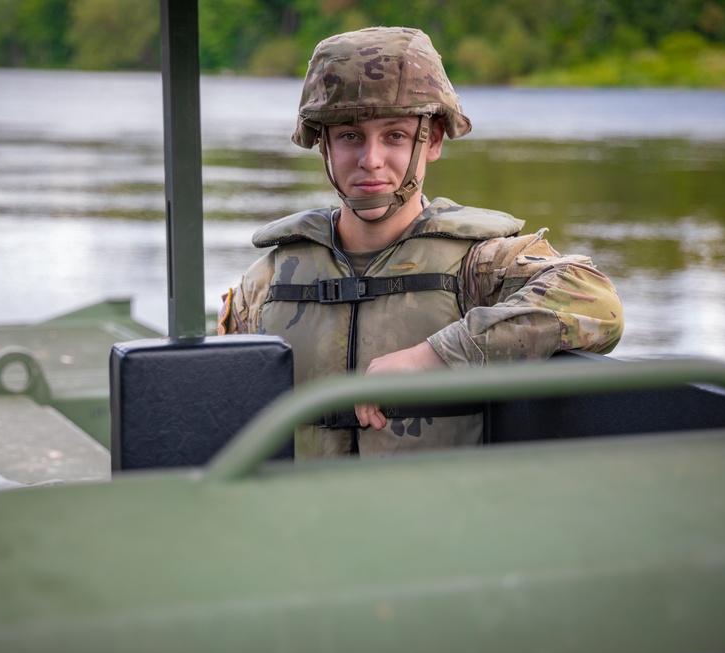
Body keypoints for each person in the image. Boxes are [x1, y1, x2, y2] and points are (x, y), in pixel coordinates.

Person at [217, 26, 624, 459]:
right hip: (303, 519)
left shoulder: (480, 265)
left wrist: (433, 356)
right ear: (324, 145)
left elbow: (598, 302)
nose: (370, 160)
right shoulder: (268, 280)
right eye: (349, 136)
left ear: (431, 141)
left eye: (394, 136)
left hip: (438, 518)